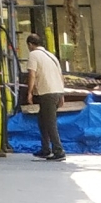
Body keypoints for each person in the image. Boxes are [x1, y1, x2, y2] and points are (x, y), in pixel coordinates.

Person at [24, 33, 68, 161]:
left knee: (50, 123)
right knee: (43, 121)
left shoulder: (33, 55)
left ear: (30, 44)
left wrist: (29, 92)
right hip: (56, 91)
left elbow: (32, 74)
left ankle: (59, 151)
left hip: (47, 92)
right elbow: (60, 75)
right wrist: (62, 94)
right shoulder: (52, 56)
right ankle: (45, 149)